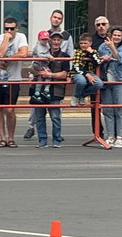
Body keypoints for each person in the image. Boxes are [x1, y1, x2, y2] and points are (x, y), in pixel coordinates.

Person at [23, 9, 75, 140]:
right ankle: (31, 127)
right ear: (50, 18)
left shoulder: (67, 36)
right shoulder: (45, 34)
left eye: (59, 18)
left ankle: (57, 134)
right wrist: (32, 73)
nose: (56, 20)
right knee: (37, 101)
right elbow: (36, 54)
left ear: (61, 20)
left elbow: (70, 55)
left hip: (57, 69)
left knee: (56, 105)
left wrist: (69, 71)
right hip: (42, 67)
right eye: (55, 17)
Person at [0, 17, 29, 148]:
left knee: (10, 109)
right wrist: (6, 39)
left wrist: (8, 60)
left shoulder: (21, 37)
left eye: (12, 28)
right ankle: (2, 138)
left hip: (13, 78)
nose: (9, 31)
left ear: (16, 28)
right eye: (7, 28)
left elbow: (23, 53)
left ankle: (11, 137)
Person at [31, 31, 70, 148]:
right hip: (39, 88)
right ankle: (42, 140)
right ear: (50, 41)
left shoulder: (65, 57)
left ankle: (56, 140)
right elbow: (32, 68)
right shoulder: (41, 51)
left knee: (55, 117)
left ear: (61, 42)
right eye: (54, 40)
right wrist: (39, 72)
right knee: (39, 117)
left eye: (59, 40)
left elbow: (64, 74)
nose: (56, 42)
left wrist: (50, 75)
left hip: (56, 90)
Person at [98, 26, 122, 148]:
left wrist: (112, 49)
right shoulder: (102, 46)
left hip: (119, 80)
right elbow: (102, 57)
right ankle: (110, 135)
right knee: (108, 110)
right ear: (111, 35)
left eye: (119, 36)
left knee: (120, 109)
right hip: (106, 81)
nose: (116, 37)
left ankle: (120, 136)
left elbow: (120, 59)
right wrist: (109, 54)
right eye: (114, 35)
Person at [70, 33, 103, 107]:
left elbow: (98, 63)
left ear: (90, 43)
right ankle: (75, 96)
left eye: (85, 43)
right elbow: (76, 66)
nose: (83, 45)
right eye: (81, 43)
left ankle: (82, 95)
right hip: (77, 73)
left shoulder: (94, 52)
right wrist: (87, 75)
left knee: (99, 84)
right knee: (82, 81)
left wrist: (91, 53)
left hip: (90, 72)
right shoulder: (78, 52)